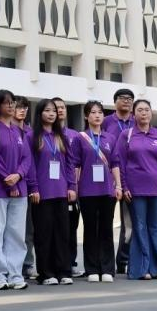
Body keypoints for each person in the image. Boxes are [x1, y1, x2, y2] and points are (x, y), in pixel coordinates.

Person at [115, 99, 157, 281]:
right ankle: (141, 269)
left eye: (146, 110)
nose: (143, 113)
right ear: (133, 114)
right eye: (140, 110)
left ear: (151, 113)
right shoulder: (126, 135)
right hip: (135, 190)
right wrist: (124, 186)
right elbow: (120, 163)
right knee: (139, 228)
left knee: (155, 228)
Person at [0, 89, 31, 290]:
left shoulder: (20, 131)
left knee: (16, 234)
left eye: (13, 102)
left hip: (20, 189)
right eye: (6, 102)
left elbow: (27, 159)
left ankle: (15, 274)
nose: (11, 106)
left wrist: (18, 176)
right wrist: (7, 179)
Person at [27, 99, 77, 286]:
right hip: (42, 193)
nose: (51, 114)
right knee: (44, 234)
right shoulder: (32, 136)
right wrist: (34, 187)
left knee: (62, 233)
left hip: (61, 191)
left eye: (54, 111)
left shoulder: (61, 137)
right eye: (47, 110)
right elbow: (30, 165)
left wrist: (72, 186)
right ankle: (46, 273)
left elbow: (70, 163)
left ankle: (63, 271)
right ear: (40, 113)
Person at [73, 101, 122, 283]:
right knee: (90, 229)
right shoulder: (80, 138)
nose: (97, 115)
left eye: (100, 112)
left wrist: (118, 186)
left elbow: (115, 163)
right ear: (86, 116)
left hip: (107, 190)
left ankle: (107, 268)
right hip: (87, 190)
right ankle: (92, 268)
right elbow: (76, 164)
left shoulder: (110, 138)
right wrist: (74, 187)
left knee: (106, 229)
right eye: (93, 112)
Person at [102, 88, 135, 275]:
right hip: (109, 177)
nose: (127, 101)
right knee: (105, 222)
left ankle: (123, 260)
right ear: (115, 101)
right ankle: (103, 263)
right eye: (123, 98)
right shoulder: (106, 121)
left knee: (129, 223)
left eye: (130, 99)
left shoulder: (136, 121)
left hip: (130, 178)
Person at [53, 97, 83, 277]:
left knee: (71, 229)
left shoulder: (74, 135)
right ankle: (54, 263)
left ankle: (70, 262)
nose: (60, 110)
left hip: (71, 189)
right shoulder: (45, 134)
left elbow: (77, 163)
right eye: (56, 108)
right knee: (53, 228)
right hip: (52, 189)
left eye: (62, 107)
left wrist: (74, 186)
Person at [14, 96, 37, 279]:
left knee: (28, 229)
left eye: (25, 108)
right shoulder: (5, 129)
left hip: (30, 186)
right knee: (12, 229)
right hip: (11, 183)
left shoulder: (31, 133)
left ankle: (27, 264)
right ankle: (11, 265)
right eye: (18, 107)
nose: (22, 111)